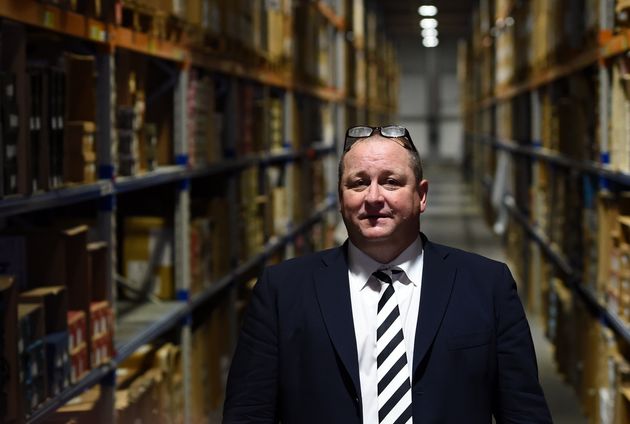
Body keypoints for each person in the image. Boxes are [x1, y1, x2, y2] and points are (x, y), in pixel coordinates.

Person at [223, 125, 552, 423]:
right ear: (340, 198)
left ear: (421, 196)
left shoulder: (486, 285)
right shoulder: (282, 291)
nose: (374, 197)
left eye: (391, 182)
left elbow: (524, 415)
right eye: (358, 183)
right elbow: (248, 415)